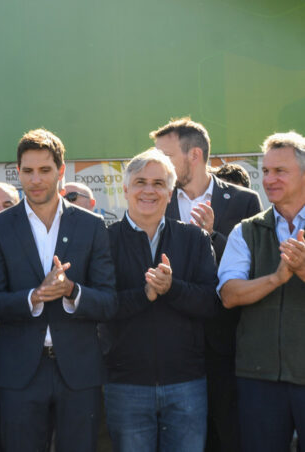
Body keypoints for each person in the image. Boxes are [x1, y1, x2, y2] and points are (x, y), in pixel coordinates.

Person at [0, 128, 117, 452]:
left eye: (44, 170)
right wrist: (34, 297)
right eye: (27, 171)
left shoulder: (91, 225)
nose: (35, 179)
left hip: (79, 371)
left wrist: (71, 291)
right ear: (19, 172)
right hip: (19, 372)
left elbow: (108, 301)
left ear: (61, 171)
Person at [151, 117, 262, 452]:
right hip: (170, 341)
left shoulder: (244, 201)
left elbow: (253, 266)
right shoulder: (156, 200)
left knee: (227, 431)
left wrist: (214, 236)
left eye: (166, 155)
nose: (159, 164)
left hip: (224, 341)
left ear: (194, 155)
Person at [104, 149, 219, 451]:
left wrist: (172, 289)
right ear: (126, 189)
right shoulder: (105, 241)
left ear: (170, 192)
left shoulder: (195, 239)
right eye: (140, 181)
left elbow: (211, 303)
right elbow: (101, 306)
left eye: (158, 183)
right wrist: (145, 295)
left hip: (187, 385)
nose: (148, 190)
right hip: (125, 384)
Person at [217, 131, 305, 452]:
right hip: (259, 378)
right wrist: (277, 278)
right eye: (265, 171)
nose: (269, 179)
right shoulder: (247, 230)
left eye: (280, 171)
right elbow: (228, 294)